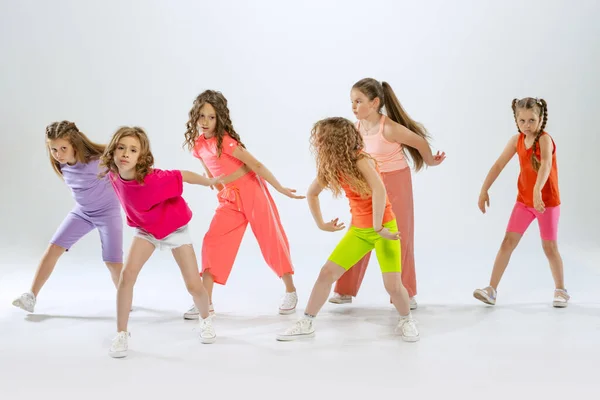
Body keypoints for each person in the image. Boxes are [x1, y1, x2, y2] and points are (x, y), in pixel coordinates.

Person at [276, 117, 419, 342]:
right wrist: (321, 223)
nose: (317, 142)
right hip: (360, 232)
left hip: (384, 228)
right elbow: (312, 193)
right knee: (326, 273)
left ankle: (406, 320)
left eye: (321, 138)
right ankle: (307, 321)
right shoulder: (332, 166)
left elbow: (379, 191)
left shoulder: (361, 160)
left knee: (392, 285)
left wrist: (378, 226)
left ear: (336, 140)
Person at [100, 126, 222, 358]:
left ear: (141, 156)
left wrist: (210, 181)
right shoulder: (113, 173)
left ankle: (206, 318)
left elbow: (183, 175)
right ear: (113, 150)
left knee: (193, 286)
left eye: (133, 150)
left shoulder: (154, 179)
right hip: (147, 230)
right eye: (121, 148)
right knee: (126, 277)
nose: (126, 154)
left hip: (174, 228)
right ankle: (121, 333)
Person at [182, 90, 304, 318]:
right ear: (195, 117)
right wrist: (218, 188)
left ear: (219, 118)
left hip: (252, 193)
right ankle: (205, 300)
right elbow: (211, 173)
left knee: (270, 241)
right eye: (202, 116)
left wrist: (279, 188)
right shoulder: (198, 146)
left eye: (211, 117)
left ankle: (290, 290)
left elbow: (255, 165)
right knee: (212, 241)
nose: (206, 122)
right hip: (229, 200)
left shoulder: (226, 142)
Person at [330, 78, 445, 309]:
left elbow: (419, 141)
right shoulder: (356, 127)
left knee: (399, 233)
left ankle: (405, 292)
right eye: (352, 101)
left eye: (358, 101)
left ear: (374, 103)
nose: (353, 106)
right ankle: (345, 289)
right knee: (360, 231)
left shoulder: (389, 128)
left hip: (396, 183)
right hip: (368, 184)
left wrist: (430, 161)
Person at [12, 121, 123, 313]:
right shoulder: (61, 165)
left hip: (108, 214)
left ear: (75, 144)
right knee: (54, 247)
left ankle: (124, 297)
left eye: (63, 148)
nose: (58, 154)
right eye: (54, 149)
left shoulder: (99, 160)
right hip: (83, 212)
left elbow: (125, 161)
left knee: (112, 261)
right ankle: (31, 296)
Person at [473, 97, 568, 307]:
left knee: (549, 247)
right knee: (507, 242)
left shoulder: (544, 139)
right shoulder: (516, 140)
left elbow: (545, 165)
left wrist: (537, 191)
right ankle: (491, 290)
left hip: (546, 202)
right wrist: (484, 189)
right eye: (522, 120)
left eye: (531, 120)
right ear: (516, 119)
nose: (527, 125)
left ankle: (561, 290)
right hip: (524, 202)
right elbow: (498, 165)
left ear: (540, 118)